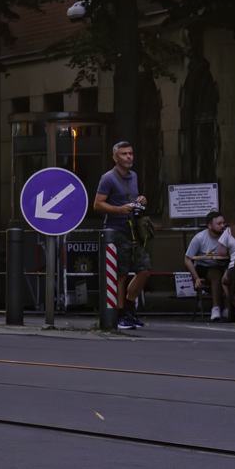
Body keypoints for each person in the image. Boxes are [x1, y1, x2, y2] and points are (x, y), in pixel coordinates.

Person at [93, 140, 149, 329]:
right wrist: (119, 209)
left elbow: (133, 199)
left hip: (134, 231)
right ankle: (119, 314)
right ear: (115, 157)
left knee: (144, 269)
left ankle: (128, 307)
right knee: (121, 274)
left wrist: (141, 199)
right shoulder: (108, 178)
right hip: (117, 231)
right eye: (124, 154)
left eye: (131, 153)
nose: (129, 157)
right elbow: (97, 204)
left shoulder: (133, 176)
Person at [183, 210, 230, 321]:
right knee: (216, 272)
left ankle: (230, 308)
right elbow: (187, 259)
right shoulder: (199, 238)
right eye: (219, 224)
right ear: (209, 226)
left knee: (229, 273)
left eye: (223, 223)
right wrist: (196, 278)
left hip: (224, 264)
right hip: (204, 267)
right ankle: (216, 308)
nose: (222, 226)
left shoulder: (227, 236)